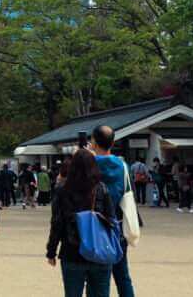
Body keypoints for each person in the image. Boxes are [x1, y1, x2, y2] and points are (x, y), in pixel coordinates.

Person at [45, 148, 116, 297]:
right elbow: (111, 220)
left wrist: (51, 250)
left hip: (72, 251)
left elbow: (57, 223)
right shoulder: (101, 188)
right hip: (99, 251)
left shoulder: (62, 190)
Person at [91, 125, 136, 297]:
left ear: (94, 142)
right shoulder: (122, 165)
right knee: (122, 274)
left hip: (94, 226)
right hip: (117, 225)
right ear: (113, 142)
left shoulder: (90, 163)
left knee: (99, 277)